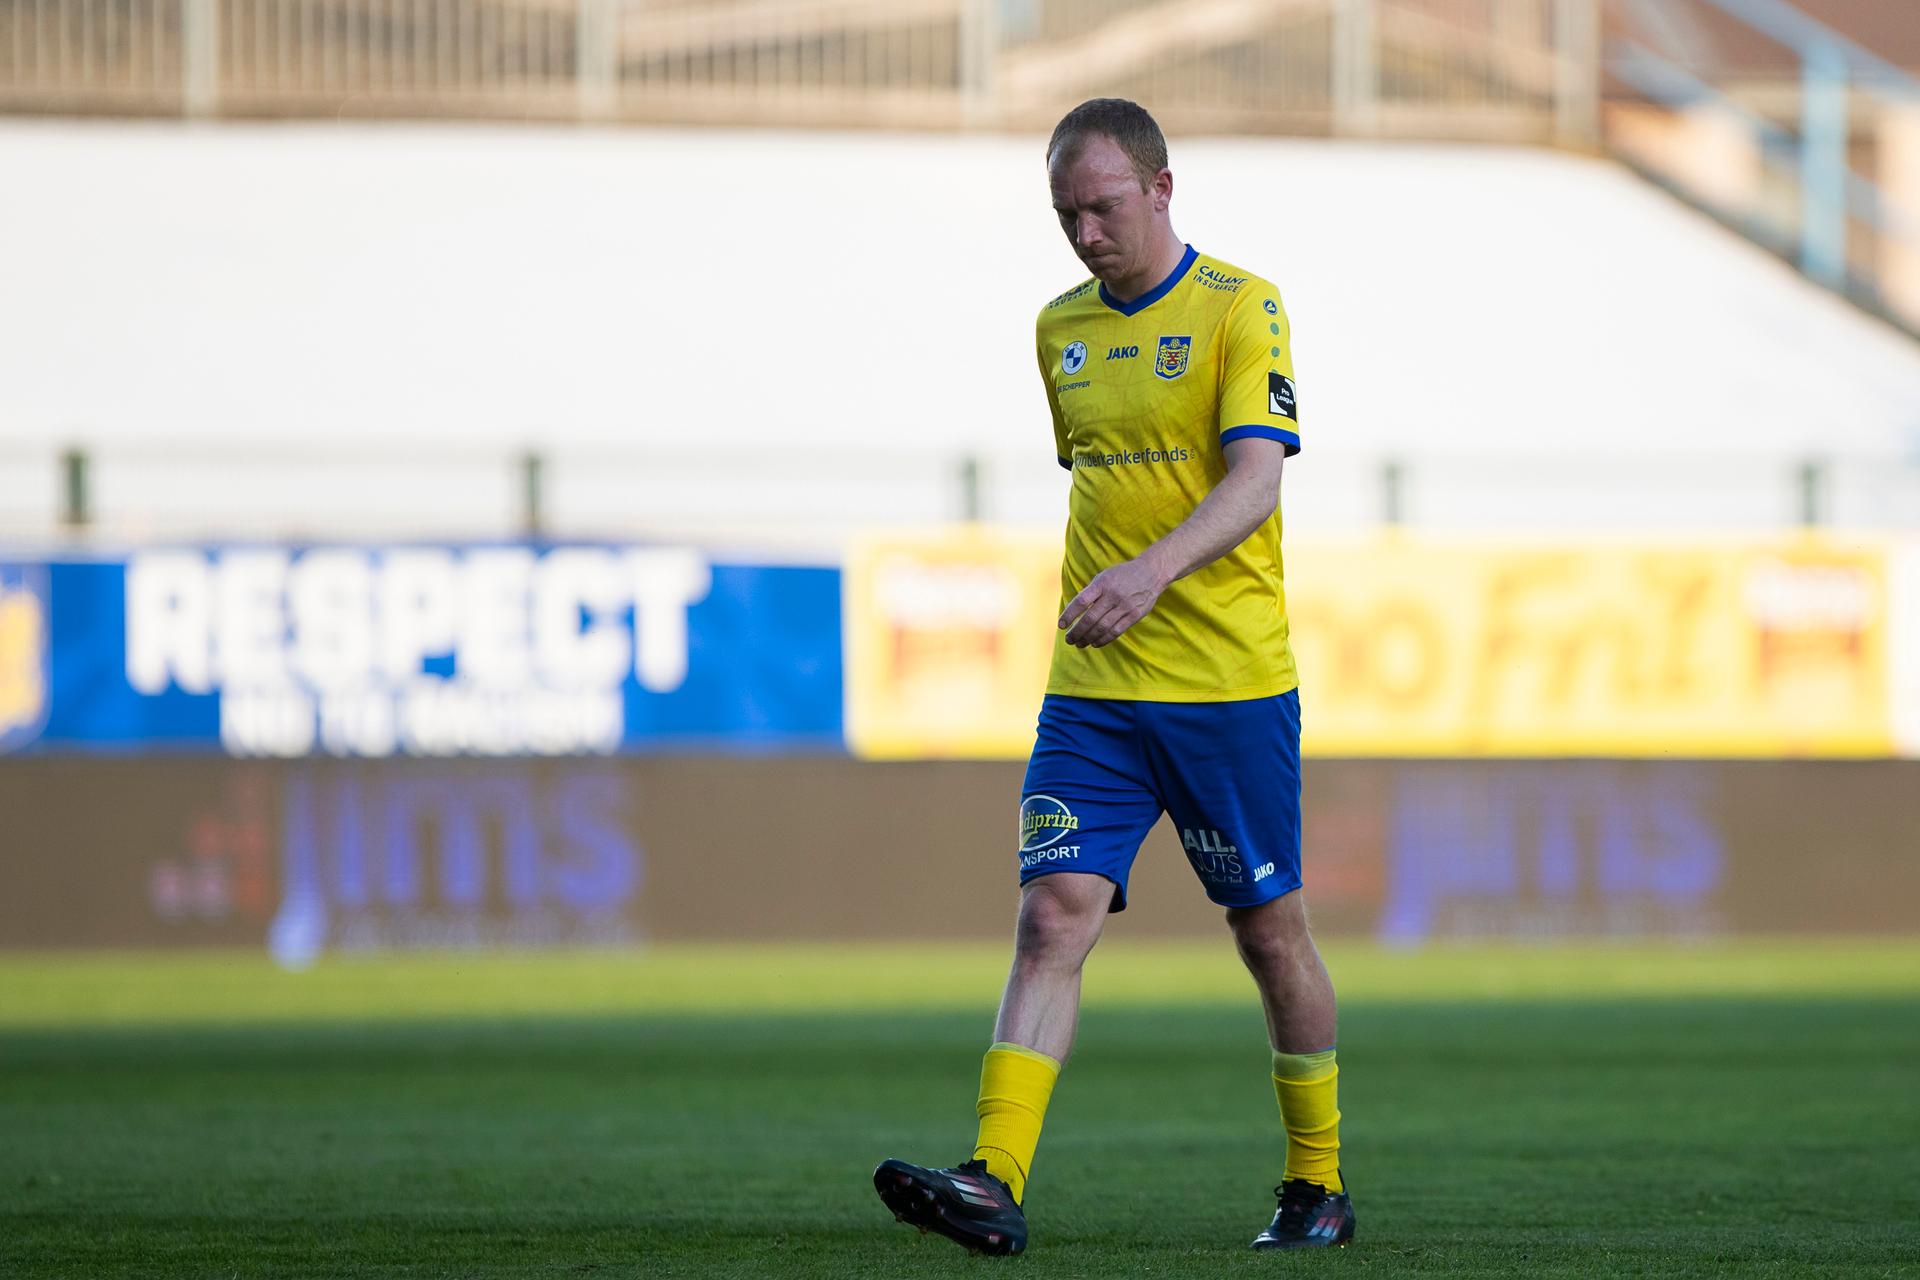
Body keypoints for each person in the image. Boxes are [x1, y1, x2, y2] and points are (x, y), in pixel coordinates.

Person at [873, 97, 1353, 1256]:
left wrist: (1151, 571)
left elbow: (1255, 481)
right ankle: (993, 1173)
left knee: (1270, 935)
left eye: (1102, 205)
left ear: (1162, 187)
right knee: (1051, 916)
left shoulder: (1244, 307)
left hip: (1228, 685)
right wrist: (1119, 588)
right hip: (1093, 691)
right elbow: (1101, 477)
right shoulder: (1058, 330)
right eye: (1065, 214)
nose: (1085, 232)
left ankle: (1316, 1182)